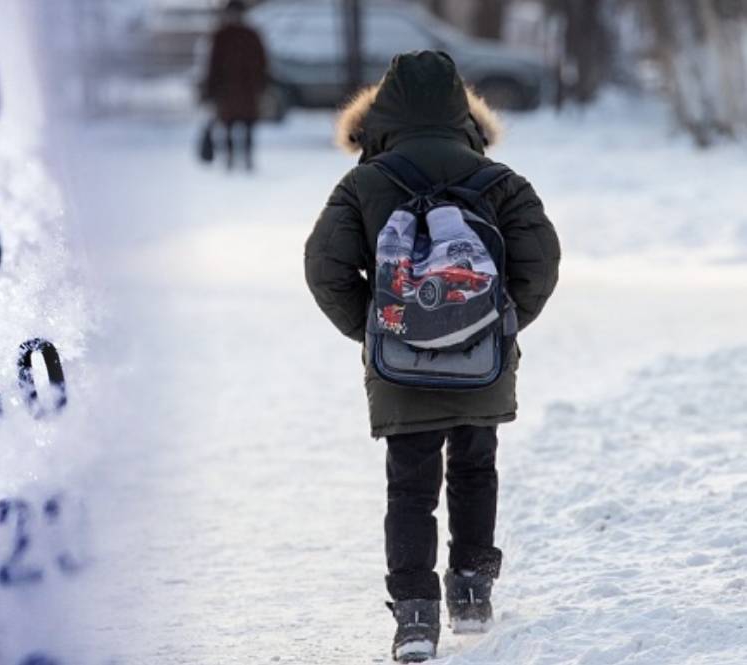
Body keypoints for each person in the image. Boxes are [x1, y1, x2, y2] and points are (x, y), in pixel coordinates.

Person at [304, 51, 560, 662]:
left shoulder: (363, 183)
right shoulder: (499, 181)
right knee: (476, 469)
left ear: (382, 113)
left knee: (409, 489)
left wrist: (376, 327)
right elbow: (541, 260)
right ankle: (471, 591)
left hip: (401, 366)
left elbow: (324, 267)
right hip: (481, 363)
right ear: (461, 113)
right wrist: (497, 325)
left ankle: (415, 617)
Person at [201, 0, 267, 171]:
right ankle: (234, 159)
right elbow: (213, 65)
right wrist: (210, 88)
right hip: (232, 89)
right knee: (231, 126)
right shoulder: (224, 36)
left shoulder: (244, 35)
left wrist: (261, 83)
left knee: (245, 125)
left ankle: (245, 159)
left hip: (242, 89)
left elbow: (261, 62)